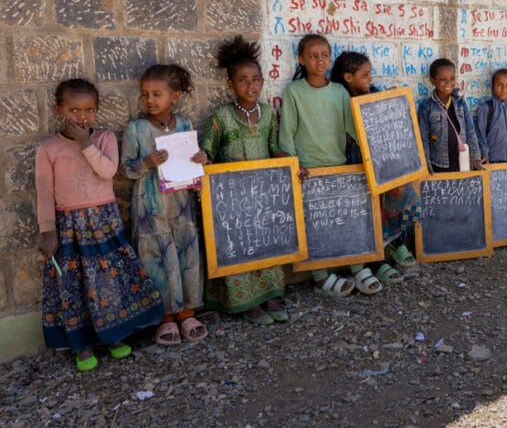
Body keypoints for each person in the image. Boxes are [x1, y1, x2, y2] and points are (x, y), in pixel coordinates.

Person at [37, 79, 163, 371]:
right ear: (59, 110)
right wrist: (47, 231)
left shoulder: (104, 138)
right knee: (75, 285)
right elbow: (44, 192)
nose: (82, 117)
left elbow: (107, 171)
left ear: (97, 111)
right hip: (70, 228)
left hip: (103, 223)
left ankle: (114, 336)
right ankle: (82, 344)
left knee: (107, 282)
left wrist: (85, 143)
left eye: (89, 110)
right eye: (74, 110)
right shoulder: (49, 149)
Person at [279, 35, 381, 297]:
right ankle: (320, 276)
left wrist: (377, 151)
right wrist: (293, 165)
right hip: (308, 170)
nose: (319, 60)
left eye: (324, 55)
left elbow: (352, 127)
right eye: (312, 56)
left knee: (347, 219)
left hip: (339, 165)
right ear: (301, 59)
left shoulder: (338, 91)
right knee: (314, 224)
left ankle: (357, 267)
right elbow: (287, 132)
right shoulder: (294, 92)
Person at [200, 36, 289, 325]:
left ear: (262, 82)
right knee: (238, 243)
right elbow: (208, 150)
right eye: (242, 80)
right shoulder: (222, 116)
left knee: (264, 240)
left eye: (255, 80)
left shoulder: (267, 115)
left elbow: (274, 146)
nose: (250, 86)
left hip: (262, 193)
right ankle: (245, 301)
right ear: (231, 85)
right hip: (232, 197)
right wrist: (204, 159)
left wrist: (289, 164)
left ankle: (270, 294)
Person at [121, 65, 209, 346]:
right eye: (145, 94)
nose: (150, 100)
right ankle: (165, 318)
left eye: (157, 94)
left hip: (180, 202)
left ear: (175, 96)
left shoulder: (183, 124)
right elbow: (125, 169)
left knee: (186, 253)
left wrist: (200, 160)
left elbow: (191, 158)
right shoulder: (136, 129)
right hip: (151, 206)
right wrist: (146, 163)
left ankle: (187, 312)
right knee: (156, 257)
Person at [331, 51, 421, 280]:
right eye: (365, 75)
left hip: (383, 162)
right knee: (366, 212)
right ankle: (376, 261)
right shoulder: (340, 99)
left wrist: (391, 103)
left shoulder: (375, 94)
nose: (370, 78)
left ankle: (396, 246)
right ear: (348, 77)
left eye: (369, 74)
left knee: (391, 204)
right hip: (356, 162)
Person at [417, 58, 482, 173]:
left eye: (452, 78)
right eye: (443, 79)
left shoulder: (460, 103)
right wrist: (425, 163)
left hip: (461, 162)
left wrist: (475, 157)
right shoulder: (427, 107)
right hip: (438, 164)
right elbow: (423, 139)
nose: (448, 83)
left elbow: (470, 130)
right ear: (432, 80)